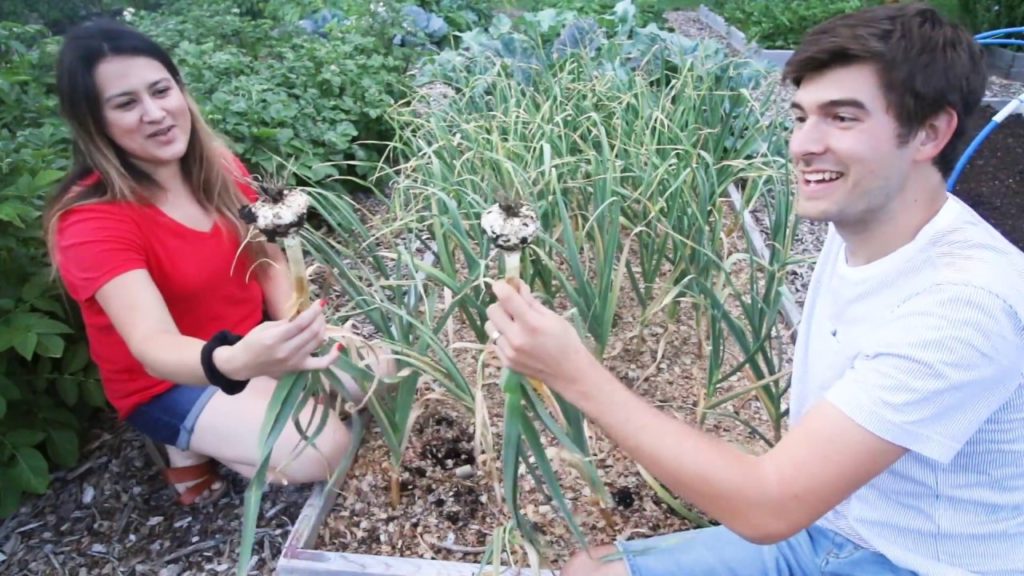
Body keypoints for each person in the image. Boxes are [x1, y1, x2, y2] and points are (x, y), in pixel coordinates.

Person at [486, 4, 1024, 575]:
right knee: (585, 568)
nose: (803, 145)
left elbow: (769, 506)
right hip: (837, 522)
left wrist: (573, 373)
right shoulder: (866, 225)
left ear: (930, 132)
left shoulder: (965, 303)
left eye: (842, 118)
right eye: (800, 117)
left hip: (916, 562)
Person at [44, 19, 384, 506]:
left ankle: (246, 411)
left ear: (180, 90)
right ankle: (182, 442)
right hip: (169, 377)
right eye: (126, 103)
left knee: (381, 375)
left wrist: (296, 325)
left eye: (161, 90)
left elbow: (267, 263)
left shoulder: (218, 165)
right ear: (93, 123)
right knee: (326, 450)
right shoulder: (91, 221)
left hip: (251, 343)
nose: (155, 113)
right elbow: (152, 344)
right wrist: (239, 363)